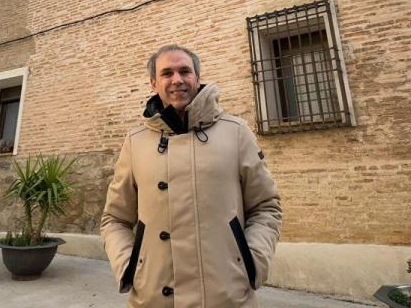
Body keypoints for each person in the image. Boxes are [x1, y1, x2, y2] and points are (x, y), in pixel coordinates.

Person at [101, 44, 282, 307]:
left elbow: (266, 207)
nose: (177, 80)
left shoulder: (236, 132)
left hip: (227, 296)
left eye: (185, 71)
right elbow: (115, 218)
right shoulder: (135, 142)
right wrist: (129, 267)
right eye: (167, 73)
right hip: (152, 296)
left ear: (197, 78)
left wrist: (251, 262)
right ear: (153, 83)